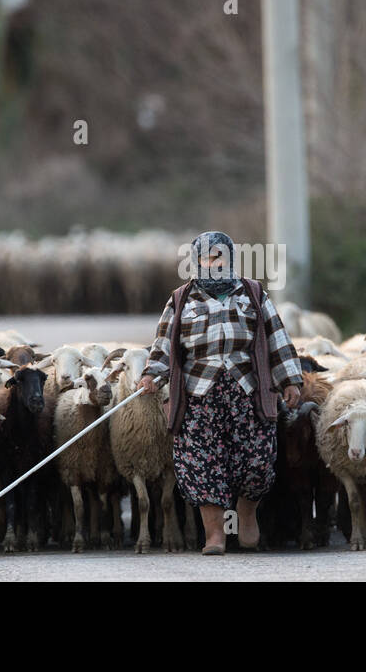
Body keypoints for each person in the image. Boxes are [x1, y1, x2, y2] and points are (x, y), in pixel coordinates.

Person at [136, 231, 304, 555]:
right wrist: (151, 376)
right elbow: (162, 345)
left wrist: (289, 381)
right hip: (199, 391)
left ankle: (246, 512)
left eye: (219, 257)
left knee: (256, 460)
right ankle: (214, 535)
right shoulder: (181, 298)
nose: (212, 263)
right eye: (205, 258)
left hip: (246, 388)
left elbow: (276, 338)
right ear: (196, 261)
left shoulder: (253, 293)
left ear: (230, 259)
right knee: (201, 462)